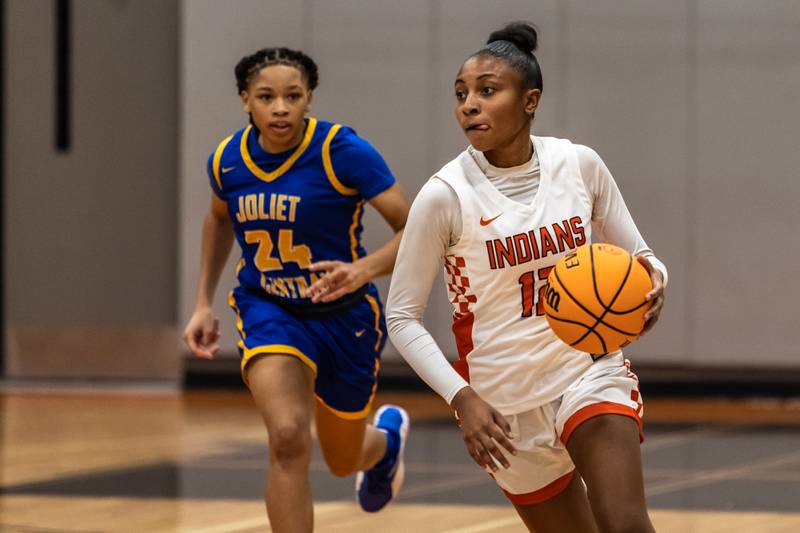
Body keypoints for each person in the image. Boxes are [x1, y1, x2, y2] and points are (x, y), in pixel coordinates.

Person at [386, 23, 666, 533]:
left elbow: (642, 256)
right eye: (461, 94)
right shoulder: (444, 196)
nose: (469, 104)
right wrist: (461, 398)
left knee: (625, 523)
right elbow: (402, 316)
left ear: (530, 99)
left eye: (487, 91)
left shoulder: (578, 165)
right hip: (500, 405)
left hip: (588, 370)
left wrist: (654, 283)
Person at [182, 47, 411, 533]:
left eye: (293, 96)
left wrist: (364, 269)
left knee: (342, 459)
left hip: (345, 315)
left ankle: (385, 444)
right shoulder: (227, 161)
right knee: (287, 437)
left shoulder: (342, 151)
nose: (280, 107)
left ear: (309, 100)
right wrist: (202, 302)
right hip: (270, 307)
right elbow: (219, 219)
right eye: (267, 97)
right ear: (246, 100)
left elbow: (413, 229)